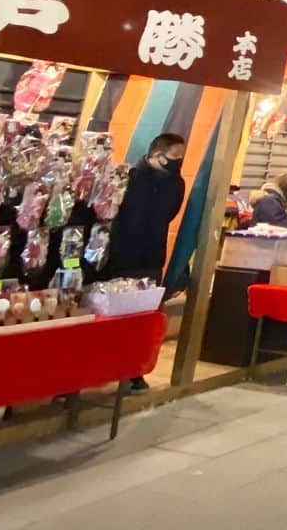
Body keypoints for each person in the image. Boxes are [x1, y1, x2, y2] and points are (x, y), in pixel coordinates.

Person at [107, 132, 187, 392]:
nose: (178, 163)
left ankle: (134, 372)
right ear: (157, 155)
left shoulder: (176, 184)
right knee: (114, 317)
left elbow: (171, 212)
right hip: (122, 255)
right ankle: (107, 367)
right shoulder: (130, 177)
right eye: (174, 157)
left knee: (145, 318)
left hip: (152, 256)